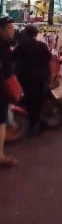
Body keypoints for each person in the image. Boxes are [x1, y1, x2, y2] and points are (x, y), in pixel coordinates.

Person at [14, 25, 52, 136]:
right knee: (39, 102)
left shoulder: (21, 46)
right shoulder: (42, 46)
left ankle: (33, 127)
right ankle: (40, 121)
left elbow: (12, 59)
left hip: (27, 79)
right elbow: (49, 60)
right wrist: (49, 75)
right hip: (42, 78)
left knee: (28, 104)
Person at [0, 17, 18, 167]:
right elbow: (7, 72)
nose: (12, 30)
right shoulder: (5, 47)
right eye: (9, 28)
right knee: (1, 121)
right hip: (1, 89)